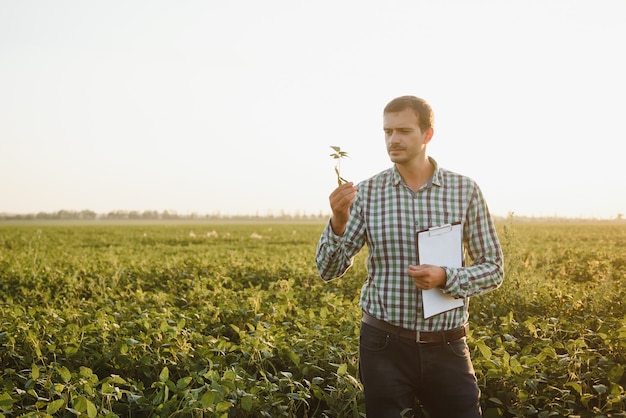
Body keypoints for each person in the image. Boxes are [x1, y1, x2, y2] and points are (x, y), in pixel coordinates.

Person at [315, 95, 504, 418]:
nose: (393, 140)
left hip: (447, 344)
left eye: (403, 130)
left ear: (427, 134)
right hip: (384, 343)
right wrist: (338, 220)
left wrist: (446, 277)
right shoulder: (368, 193)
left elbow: (493, 269)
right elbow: (328, 269)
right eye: (387, 132)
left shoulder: (464, 190)